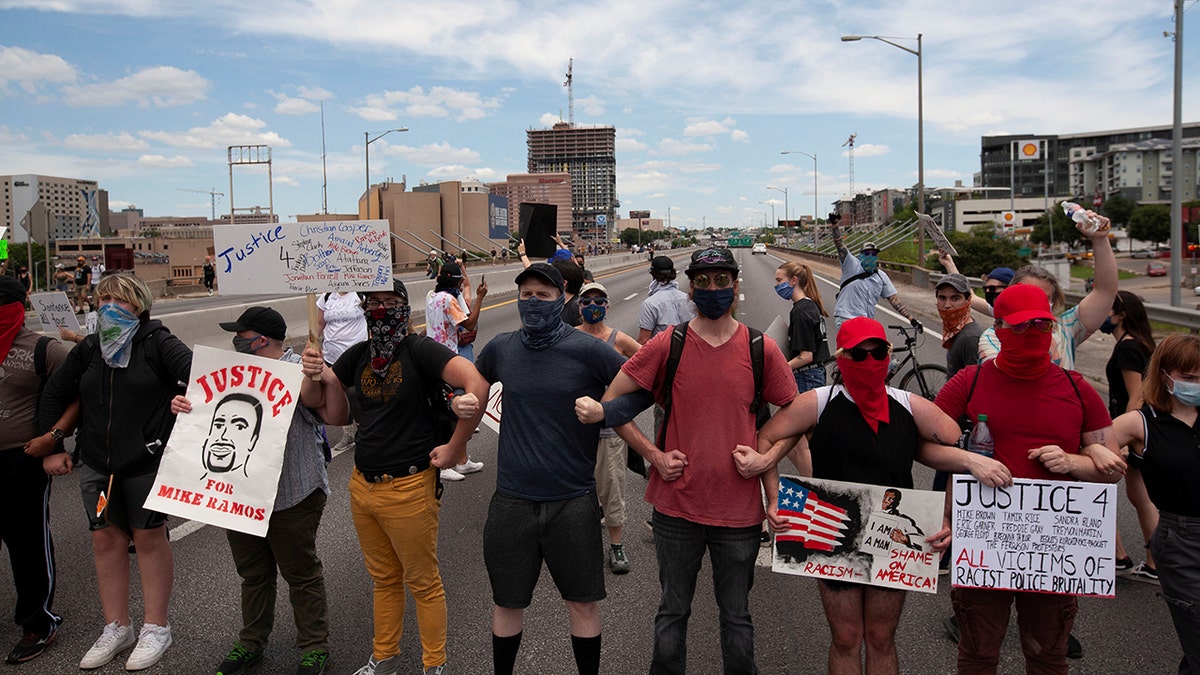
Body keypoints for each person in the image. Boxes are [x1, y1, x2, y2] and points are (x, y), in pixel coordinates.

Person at [735, 317, 1011, 675]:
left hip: (892, 534)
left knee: (881, 637)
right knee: (846, 637)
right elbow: (767, 438)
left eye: (876, 352)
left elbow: (946, 436)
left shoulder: (906, 405)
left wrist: (964, 471)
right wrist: (772, 499)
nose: (868, 362)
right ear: (842, 357)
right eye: (857, 354)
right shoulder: (819, 402)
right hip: (833, 532)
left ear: (888, 354)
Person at [591, 247, 799, 674]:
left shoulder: (761, 348)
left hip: (740, 512)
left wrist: (767, 459)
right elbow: (612, 400)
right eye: (702, 281)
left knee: (737, 620)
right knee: (672, 614)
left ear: (736, 287)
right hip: (676, 509)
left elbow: (794, 417)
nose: (712, 289)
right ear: (691, 287)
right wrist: (652, 454)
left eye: (722, 280)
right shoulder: (671, 343)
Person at [934, 284, 1122, 674]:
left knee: (1047, 654)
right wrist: (969, 460)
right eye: (1019, 327)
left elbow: (1110, 474)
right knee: (978, 653)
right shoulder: (969, 381)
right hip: (984, 540)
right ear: (998, 329)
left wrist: (1075, 459)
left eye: (1041, 324)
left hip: (1053, 546)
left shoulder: (1077, 389)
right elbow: (922, 444)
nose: (1032, 334)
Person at [316, 279, 487, 675]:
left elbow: (475, 383)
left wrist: (453, 448)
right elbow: (334, 414)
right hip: (363, 486)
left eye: (388, 301)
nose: (379, 309)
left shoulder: (419, 350)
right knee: (384, 579)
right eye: (371, 302)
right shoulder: (358, 355)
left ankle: (433, 665)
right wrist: (318, 375)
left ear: (404, 306)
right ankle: (385, 657)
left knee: (423, 582)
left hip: (410, 485)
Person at [163, 306, 343, 675]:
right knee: (254, 574)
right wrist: (185, 406)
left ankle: (314, 646)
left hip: (293, 492)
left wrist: (321, 376)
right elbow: (203, 415)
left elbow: (323, 409)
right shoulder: (233, 375)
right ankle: (251, 642)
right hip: (241, 495)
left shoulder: (301, 368)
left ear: (261, 339)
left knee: (301, 573)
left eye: (241, 336)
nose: (235, 342)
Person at [472, 263, 627, 675]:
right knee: (507, 602)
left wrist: (605, 411)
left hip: (572, 501)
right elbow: (470, 382)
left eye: (543, 295)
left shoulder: (589, 350)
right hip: (512, 500)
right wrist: (459, 404)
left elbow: (640, 388)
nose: (533, 303)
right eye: (526, 296)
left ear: (562, 299)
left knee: (582, 602)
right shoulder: (501, 348)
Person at [40, 273, 192, 671]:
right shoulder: (92, 347)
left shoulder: (158, 343)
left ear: (139, 306)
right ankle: (116, 627)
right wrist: (53, 446)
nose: (108, 307)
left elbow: (199, 375)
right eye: (102, 299)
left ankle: (156, 626)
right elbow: (56, 392)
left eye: (119, 300)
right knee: (105, 542)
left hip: (144, 462)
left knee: (148, 540)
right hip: (96, 464)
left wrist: (182, 403)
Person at [1111, 333, 1200, 674]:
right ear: (1164, 375)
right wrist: (1095, 454)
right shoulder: (1141, 422)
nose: (1196, 384)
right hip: (1181, 542)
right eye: (1188, 377)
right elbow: (1090, 444)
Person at [0, 276, 73, 664]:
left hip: (20, 461)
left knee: (27, 545)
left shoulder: (44, 350)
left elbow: (76, 392)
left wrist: (55, 438)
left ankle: (38, 622)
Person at [977, 211, 1117, 370]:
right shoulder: (992, 339)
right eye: (1028, 294)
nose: (1035, 303)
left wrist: (1100, 240)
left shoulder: (1065, 329)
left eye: (1044, 298)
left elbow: (1104, 292)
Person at [574, 281, 640, 575]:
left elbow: (647, 367)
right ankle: (579, 546)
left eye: (599, 301)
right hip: (573, 432)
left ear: (608, 306)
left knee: (613, 489)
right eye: (587, 302)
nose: (593, 307)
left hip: (609, 431)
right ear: (578, 308)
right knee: (577, 492)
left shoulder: (620, 340)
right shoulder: (568, 337)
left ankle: (616, 546)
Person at [1101, 290, 1160, 581]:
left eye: (1107, 310)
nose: (1103, 315)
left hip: (1132, 426)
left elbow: (1136, 396)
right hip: (1142, 426)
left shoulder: (1128, 348)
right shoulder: (1140, 344)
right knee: (1139, 495)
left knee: (1097, 481)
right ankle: (1149, 562)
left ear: (1121, 314)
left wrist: (1119, 440)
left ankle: (1125, 557)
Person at [424, 260, 488, 481]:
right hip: (446, 358)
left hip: (432, 354)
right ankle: (444, 463)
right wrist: (480, 298)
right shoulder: (448, 300)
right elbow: (469, 324)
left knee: (447, 406)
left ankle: (461, 460)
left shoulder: (430, 297)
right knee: (448, 410)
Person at [828, 217, 921, 333]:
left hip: (866, 321)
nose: (870, 256)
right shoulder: (851, 265)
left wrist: (911, 319)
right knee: (854, 347)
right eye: (867, 253)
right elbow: (839, 244)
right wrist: (835, 225)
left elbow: (894, 300)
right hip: (847, 318)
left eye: (873, 254)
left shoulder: (881, 276)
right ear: (860, 255)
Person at [317, 290, 368, 454]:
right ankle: (348, 434)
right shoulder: (326, 297)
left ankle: (364, 431)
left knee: (356, 394)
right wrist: (312, 342)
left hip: (356, 356)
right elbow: (319, 324)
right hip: (332, 356)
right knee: (337, 393)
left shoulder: (360, 294)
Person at [775, 261, 829, 392]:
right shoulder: (810, 305)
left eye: (779, 280)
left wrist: (781, 369)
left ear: (794, 280)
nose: (776, 285)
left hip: (807, 376)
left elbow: (806, 356)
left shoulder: (801, 311)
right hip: (815, 373)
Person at [934, 273, 982, 381]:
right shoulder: (955, 330)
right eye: (942, 298)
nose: (947, 305)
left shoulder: (969, 338)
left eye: (955, 299)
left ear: (968, 299)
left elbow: (975, 386)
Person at [637, 256, 695, 345]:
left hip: (664, 356)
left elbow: (643, 341)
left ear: (652, 274)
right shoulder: (688, 298)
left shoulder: (650, 304)